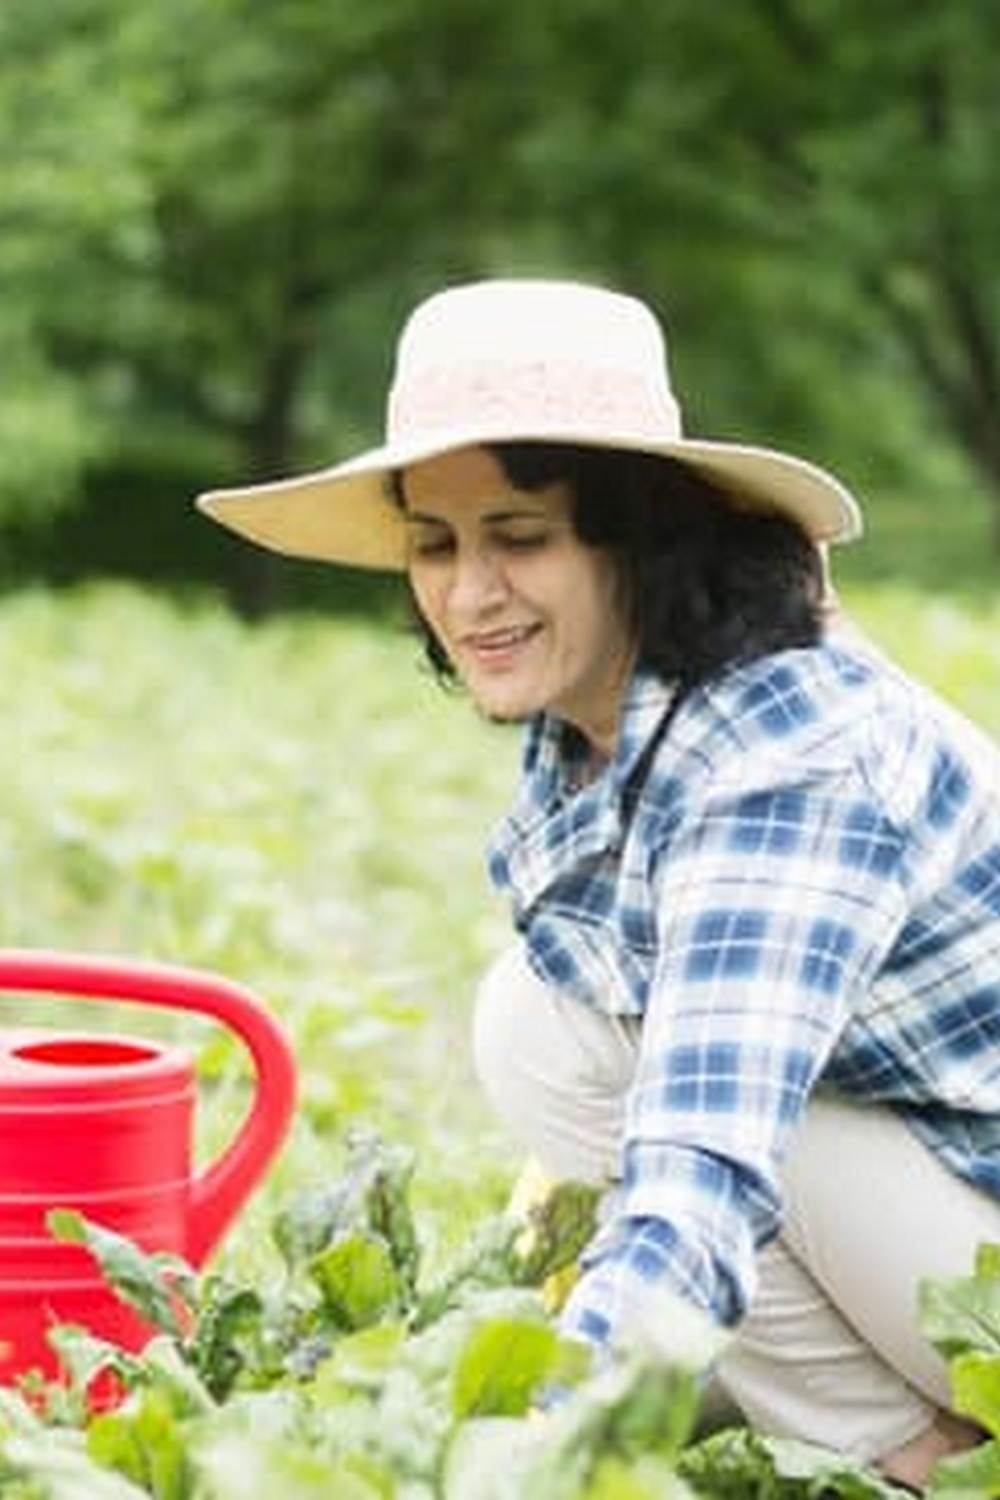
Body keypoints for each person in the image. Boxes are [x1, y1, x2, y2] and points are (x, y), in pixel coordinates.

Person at [197, 279, 1000, 1489]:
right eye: (435, 543)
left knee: (568, 1044)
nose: (469, 595)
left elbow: (698, 1153)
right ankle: (872, 1419)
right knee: (541, 1016)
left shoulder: (785, 758)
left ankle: (913, 1458)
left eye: (520, 538)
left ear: (641, 535)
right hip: (942, 1213)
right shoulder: (610, 707)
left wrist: (525, 1447)